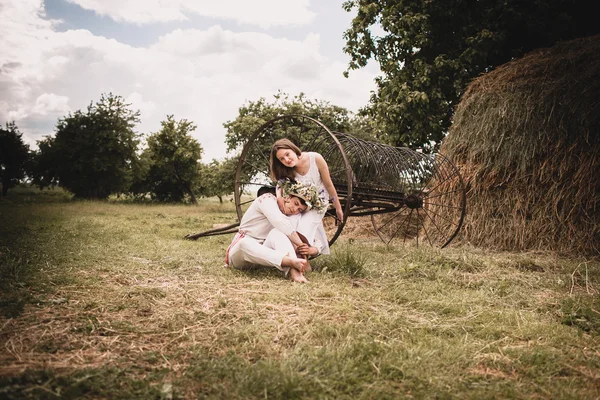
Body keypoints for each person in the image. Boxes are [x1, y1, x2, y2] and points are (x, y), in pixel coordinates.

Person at [225, 181, 322, 283]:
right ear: (288, 197)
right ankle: (290, 262)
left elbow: (314, 239)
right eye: (296, 203)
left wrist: (310, 249)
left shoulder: (291, 219)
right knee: (244, 244)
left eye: (300, 210)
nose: (295, 210)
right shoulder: (267, 199)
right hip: (241, 255)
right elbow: (278, 221)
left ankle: (295, 273)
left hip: (263, 257)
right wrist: (300, 244)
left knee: (277, 233)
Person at [270, 138, 343, 255]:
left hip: (318, 203)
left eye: (287, 154)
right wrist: (279, 197)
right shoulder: (288, 169)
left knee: (305, 225)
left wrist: (338, 207)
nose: (286, 160)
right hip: (300, 204)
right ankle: (289, 254)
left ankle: (304, 256)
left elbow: (329, 185)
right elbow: (280, 185)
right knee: (290, 223)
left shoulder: (315, 158)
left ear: (293, 149)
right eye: (281, 159)